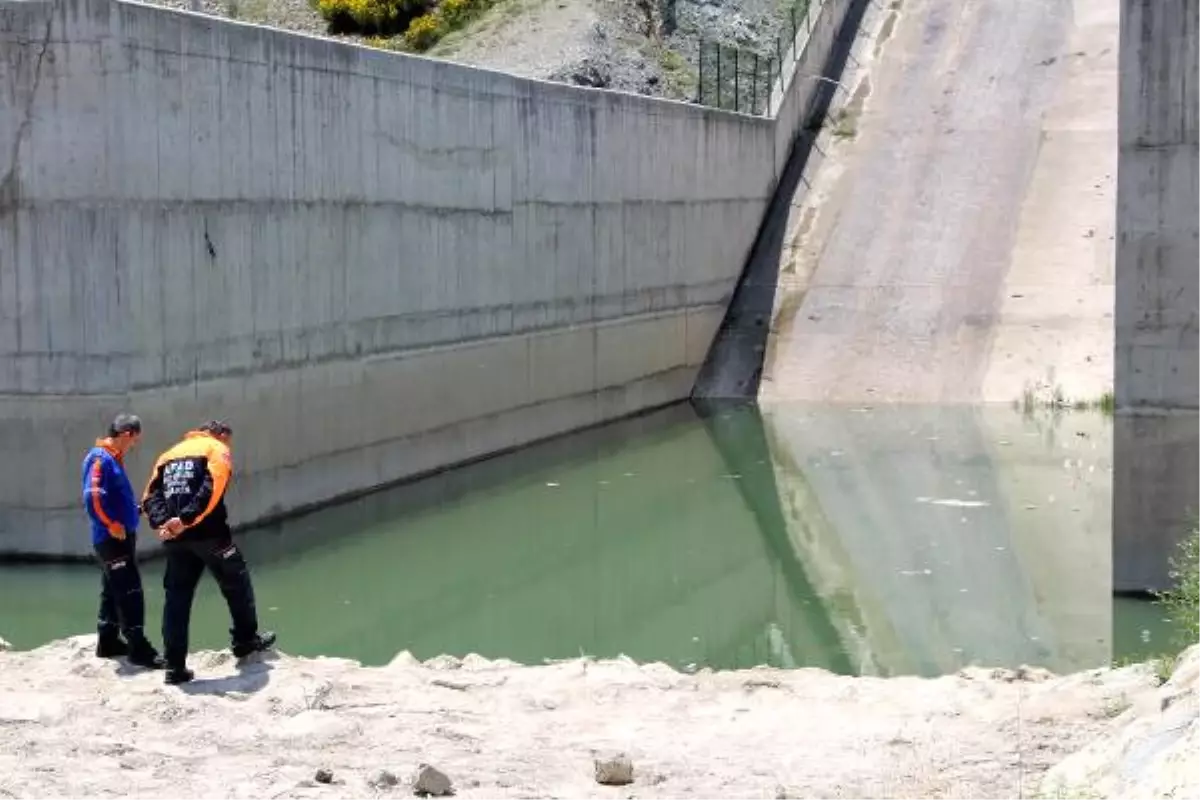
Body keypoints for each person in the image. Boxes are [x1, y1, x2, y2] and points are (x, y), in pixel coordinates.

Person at [141, 420, 276, 685]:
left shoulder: (168, 454)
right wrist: (185, 519)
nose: (229, 446)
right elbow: (212, 487)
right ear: (221, 435)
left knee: (177, 599)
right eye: (228, 440)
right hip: (210, 536)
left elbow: (149, 495)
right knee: (237, 583)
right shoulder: (217, 449)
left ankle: (175, 667)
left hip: (176, 539)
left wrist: (163, 523)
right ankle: (245, 641)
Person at [81, 413, 164, 669]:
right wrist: (111, 523)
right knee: (130, 591)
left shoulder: (112, 459)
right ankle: (138, 648)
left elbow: (115, 499)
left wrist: (135, 510)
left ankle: (108, 641)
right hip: (111, 538)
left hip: (119, 537)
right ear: (126, 434)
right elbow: (93, 497)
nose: (134, 445)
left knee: (111, 589)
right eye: (134, 440)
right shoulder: (99, 459)